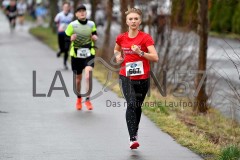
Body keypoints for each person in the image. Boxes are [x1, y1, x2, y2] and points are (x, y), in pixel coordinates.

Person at [113, 8, 159, 149]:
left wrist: (141, 52)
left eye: (136, 19)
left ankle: (135, 132)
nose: (133, 21)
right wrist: (117, 57)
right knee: (132, 103)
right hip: (125, 76)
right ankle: (132, 138)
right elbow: (116, 49)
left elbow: (155, 57)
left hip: (143, 77)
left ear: (140, 21)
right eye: (130, 19)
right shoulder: (122, 37)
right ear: (126, 21)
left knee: (137, 106)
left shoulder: (145, 38)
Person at [65, 4, 98, 110]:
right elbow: (65, 38)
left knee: (88, 76)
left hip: (89, 53)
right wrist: (71, 38)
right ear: (76, 14)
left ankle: (87, 100)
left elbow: (94, 34)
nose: (82, 12)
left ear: (86, 12)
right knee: (78, 80)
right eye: (79, 11)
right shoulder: (72, 25)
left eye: (84, 10)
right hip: (76, 55)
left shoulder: (91, 24)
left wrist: (94, 37)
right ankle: (79, 99)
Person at [54, 1, 73, 70]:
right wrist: (57, 25)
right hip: (61, 33)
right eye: (65, 7)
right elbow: (56, 21)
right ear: (63, 7)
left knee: (67, 49)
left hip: (68, 34)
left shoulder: (71, 16)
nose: (66, 8)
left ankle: (65, 63)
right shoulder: (59, 15)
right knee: (62, 47)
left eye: (67, 7)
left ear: (69, 8)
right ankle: (60, 51)